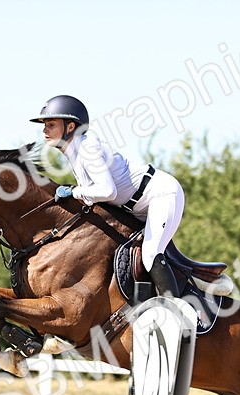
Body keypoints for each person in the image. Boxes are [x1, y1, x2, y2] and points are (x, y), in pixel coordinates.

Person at [30, 95, 183, 296]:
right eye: (44, 125)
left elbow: (107, 191)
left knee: (151, 253)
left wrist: (74, 191)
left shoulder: (87, 148)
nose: (44, 130)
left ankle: (174, 308)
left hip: (160, 195)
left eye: (50, 124)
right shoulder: (74, 151)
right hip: (136, 206)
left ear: (70, 127)